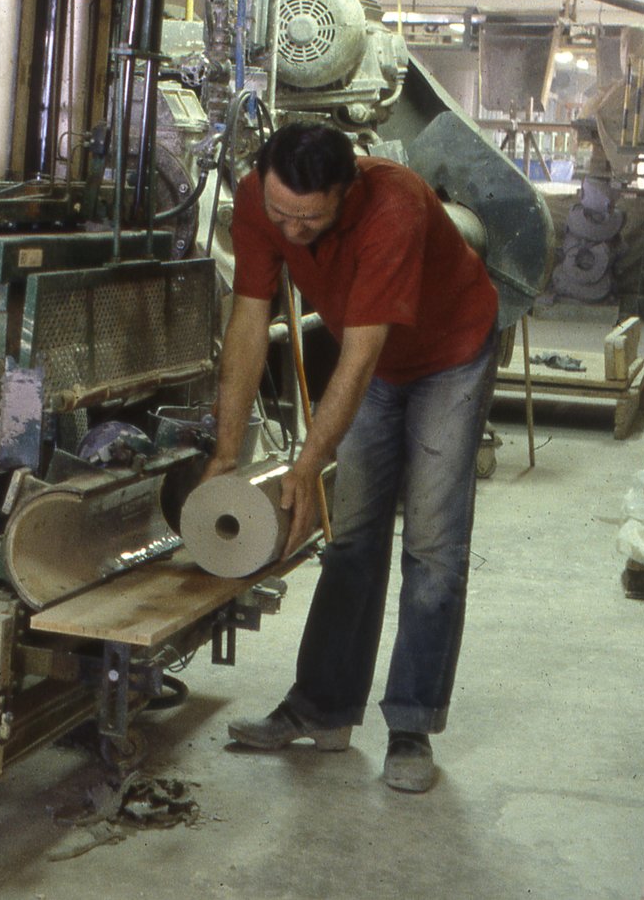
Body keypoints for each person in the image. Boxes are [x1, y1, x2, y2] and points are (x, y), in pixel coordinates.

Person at [203, 122, 499, 793]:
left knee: (431, 542)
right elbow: (249, 320)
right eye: (281, 213)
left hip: (448, 354)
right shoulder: (259, 197)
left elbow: (362, 357)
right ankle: (323, 708)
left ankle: (412, 723)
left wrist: (309, 462)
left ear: (347, 189)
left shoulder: (393, 205)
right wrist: (227, 453)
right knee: (351, 537)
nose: (292, 227)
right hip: (376, 360)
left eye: (309, 216)